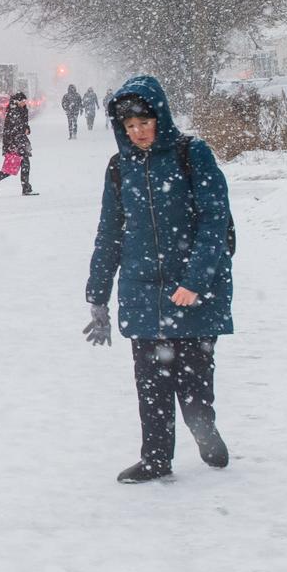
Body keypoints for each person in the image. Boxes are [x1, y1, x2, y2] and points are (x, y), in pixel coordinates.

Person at [83, 75, 234, 484]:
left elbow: (214, 221)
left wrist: (195, 281)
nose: (137, 133)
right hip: (141, 289)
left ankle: (204, 431)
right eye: (129, 127)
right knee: (149, 384)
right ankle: (155, 459)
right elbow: (109, 232)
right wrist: (97, 296)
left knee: (193, 380)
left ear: (160, 117)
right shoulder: (119, 168)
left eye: (144, 124)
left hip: (191, 292)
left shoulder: (192, 154)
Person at [0, 91, 34, 195]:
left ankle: (25, 188)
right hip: (14, 143)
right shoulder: (14, 112)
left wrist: (27, 129)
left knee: (21, 165)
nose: (25, 103)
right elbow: (13, 129)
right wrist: (22, 131)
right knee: (15, 166)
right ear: (18, 101)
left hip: (19, 141)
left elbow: (24, 125)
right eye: (23, 101)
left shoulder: (21, 110)